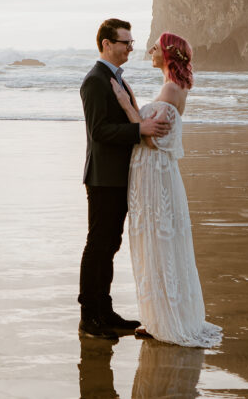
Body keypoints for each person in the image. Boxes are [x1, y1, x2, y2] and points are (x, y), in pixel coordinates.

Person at [109, 32, 223, 347]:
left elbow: (150, 137)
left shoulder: (171, 89)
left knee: (156, 243)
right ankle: (161, 315)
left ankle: (163, 320)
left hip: (154, 176)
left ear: (169, 54)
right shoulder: (174, 88)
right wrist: (133, 100)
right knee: (160, 242)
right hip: (156, 173)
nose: (149, 51)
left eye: (155, 48)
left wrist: (125, 103)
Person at [79, 18, 171, 341]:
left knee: (110, 245)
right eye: (125, 42)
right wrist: (139, 130)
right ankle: (90, 317)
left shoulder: (114, 79)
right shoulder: (95, 81)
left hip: (118, 178)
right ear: (107, 44)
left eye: (131, 42)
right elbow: (99, 132)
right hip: (103, 178)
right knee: (99, 247)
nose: (130, 48)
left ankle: (105, 311)